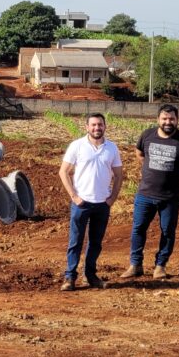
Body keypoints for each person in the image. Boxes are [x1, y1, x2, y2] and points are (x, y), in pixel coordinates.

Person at [121, 104, 179, 280]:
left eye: (171, 119)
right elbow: (139, 153)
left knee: (167, 231)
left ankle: (160, 266)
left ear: (177, 120)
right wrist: (149, 169)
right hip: (145, 193)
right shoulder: (147, 135)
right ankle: (135, 264)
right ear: (158, 119)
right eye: (164, 118)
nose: (168, 122)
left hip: (171, 196)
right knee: (138, 228)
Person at [59, 113, 123, 291]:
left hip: (102, 204)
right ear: (86, 127)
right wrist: (74, 196)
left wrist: (112, 199)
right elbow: (63, 172)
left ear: (105, 126)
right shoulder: (77, 146)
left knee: (95, 242)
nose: (97, 128)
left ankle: (90, 275)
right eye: (93, 125)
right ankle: (70, 277)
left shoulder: (112, 148)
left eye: (100, 125)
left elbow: (118, 175)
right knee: (75, 241)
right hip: (82, 203)